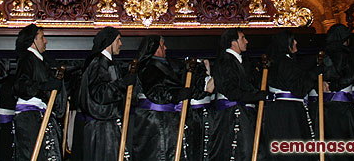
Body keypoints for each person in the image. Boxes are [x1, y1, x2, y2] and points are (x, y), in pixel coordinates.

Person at [132, 35, 208, 161]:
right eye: (163, 45)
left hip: (168, 122)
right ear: (156, 48)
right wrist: (178, 95)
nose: (166, 48)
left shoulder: (168, 65)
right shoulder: (148, 67)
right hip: (155, 122)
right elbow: (155, 92)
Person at [74, 26, 136, 161]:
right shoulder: (99, 63)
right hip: (101, 129)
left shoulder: (107, 63)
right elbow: (99, 93)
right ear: (110, 41)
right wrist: (122, 84)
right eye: (118, 40)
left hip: (107, 125)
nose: (121, 44)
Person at [212, 28, 270, 161]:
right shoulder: (226, 62)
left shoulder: (243, 62)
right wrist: (255, 96)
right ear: (233, 43)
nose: (246, 41)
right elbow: (230, 90)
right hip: (233, 116)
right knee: (240, 151)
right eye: (243, 38)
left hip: (244, 113)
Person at [315, 24, 354, 161]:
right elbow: (351, 76)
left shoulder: (324, 54)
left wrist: (321, 84)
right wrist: (334, 86)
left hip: (326, 108)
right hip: (343, 108)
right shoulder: (348, 55)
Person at [13, 24, 66, 161]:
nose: (45, 41)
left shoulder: (42, 61)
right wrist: (44, 86)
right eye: (42, 37)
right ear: (33, 41)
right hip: (29, 118)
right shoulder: (27, 59)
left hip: (40, 115)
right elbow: (20, 85)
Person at [264, 31, 318, 160]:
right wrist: (314, 74)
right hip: (287, 113)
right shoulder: (284, 62)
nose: (296, 42)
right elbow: (298, 88)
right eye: (293, 40)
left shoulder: (281, 61)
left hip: (284, 110)